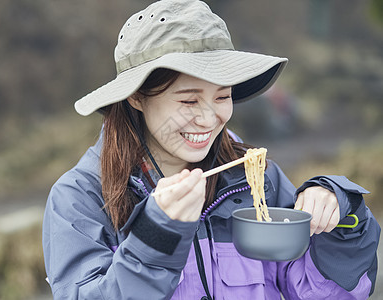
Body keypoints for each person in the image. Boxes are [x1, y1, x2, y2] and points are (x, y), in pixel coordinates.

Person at [42, 0, 380, 299]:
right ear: (136, 97)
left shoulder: (257, 180)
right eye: (189, 100)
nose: (208, 118)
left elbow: (327, 295)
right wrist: (155, 234)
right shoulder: (81, 198)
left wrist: (344, 217)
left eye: (222, 96)